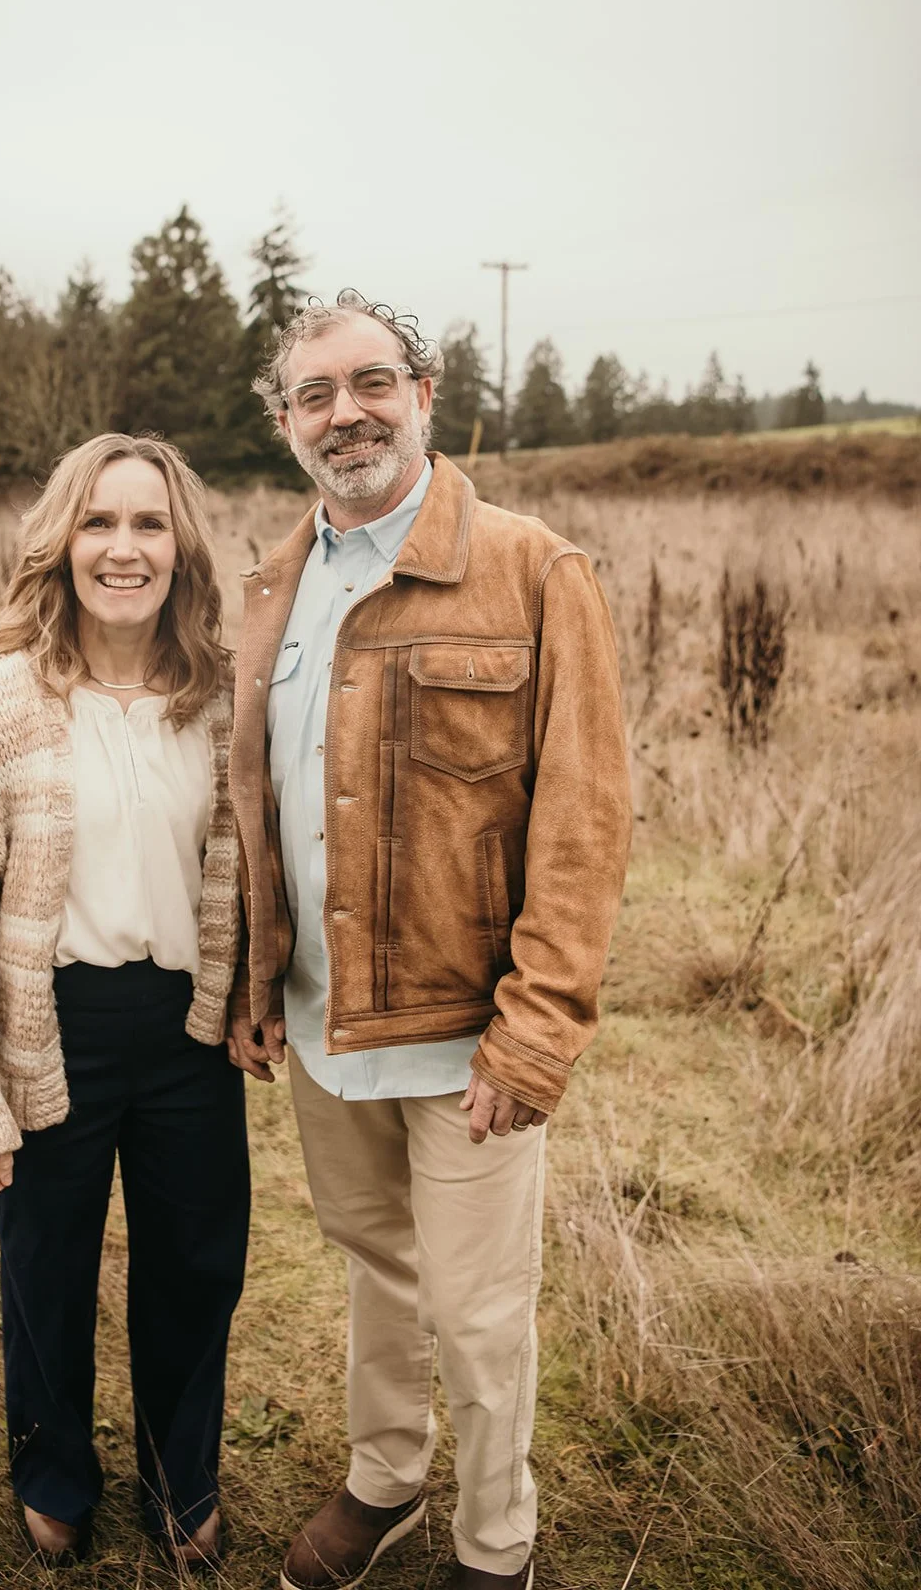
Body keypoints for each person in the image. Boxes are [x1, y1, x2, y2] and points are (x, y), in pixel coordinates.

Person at [226, 292, 631, 1590]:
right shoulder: (272, 585)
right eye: (312, 394)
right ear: (285, 423)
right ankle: (385, 1480)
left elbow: (584, 825)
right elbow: (259, 802)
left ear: (423, 394)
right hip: (321, 1027)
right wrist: (253, 976)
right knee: (375, 1270)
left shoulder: (534, 571)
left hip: (468, 1043)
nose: (343, 413)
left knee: (477, 1308)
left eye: (369, 382)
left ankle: (494, 1541)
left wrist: (537, 1033)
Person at [0, 433, 245, 1570]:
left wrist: (252, 994)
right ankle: (52, 1472)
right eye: (99, 522)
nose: (123, 548)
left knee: (196, 1264)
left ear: (180, 546)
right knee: (46, 1269)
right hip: (51, 1028)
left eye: (149, 523)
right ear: (61, 543)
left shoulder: (219, 697)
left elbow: (249, 867)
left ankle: (180, 1474)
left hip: (187, 1031)